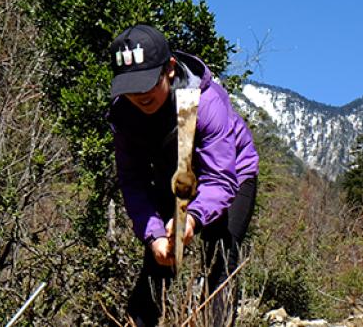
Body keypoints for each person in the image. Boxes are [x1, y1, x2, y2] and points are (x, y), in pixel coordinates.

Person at [108, 24, 259, 327]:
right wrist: (153, 235)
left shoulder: (206, 102)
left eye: (147, 82)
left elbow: (220, 178)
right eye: (131, 86)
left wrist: (191, 219)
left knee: (220, 257)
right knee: (159, 260)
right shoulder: (124, 115)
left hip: (230, 174)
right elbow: (133, 181)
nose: (139, 94)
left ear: (170, 69)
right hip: (176, 177)